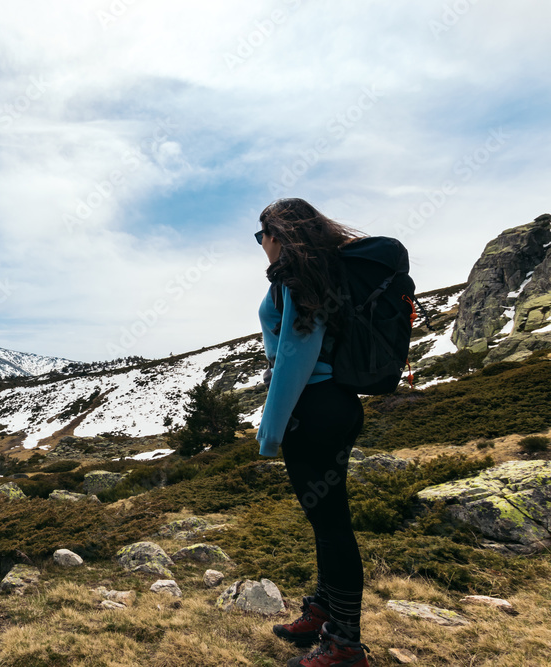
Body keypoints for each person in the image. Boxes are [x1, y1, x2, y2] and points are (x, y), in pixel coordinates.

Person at [255, 198, 372, 667]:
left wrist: (270, 430)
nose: (261, 245)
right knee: (327, 522)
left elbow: (294, 358)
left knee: (331, 526)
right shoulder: (324, 272)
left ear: (278, 234)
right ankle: (324, 612)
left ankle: (345, 645)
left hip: (314, 410)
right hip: (337, 407)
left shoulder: (297, 279)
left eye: (262, 235)